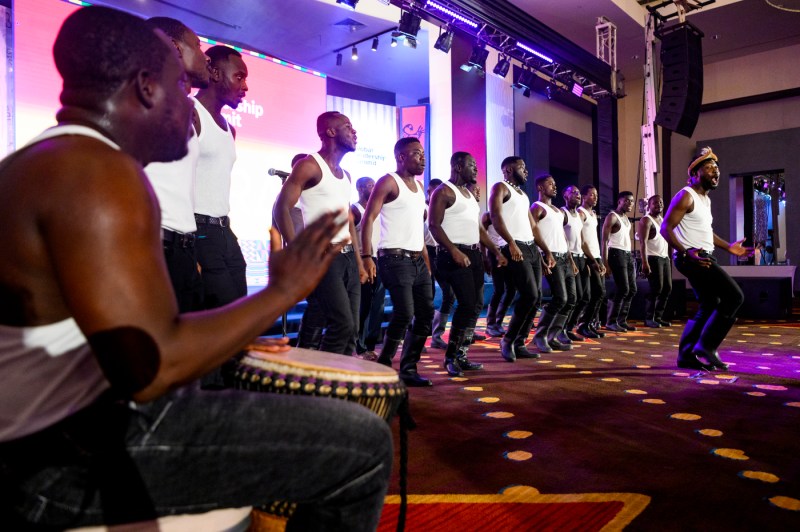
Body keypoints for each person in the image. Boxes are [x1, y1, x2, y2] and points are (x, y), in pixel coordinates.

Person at [0, 7, 391, 530]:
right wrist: (282, 291)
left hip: (52, 439)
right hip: (62, 462)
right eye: (180, 90)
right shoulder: (96, 174)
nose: (191, 111)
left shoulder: (50, 157)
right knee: (362, 444)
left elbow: (123, 341)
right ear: (145, 87)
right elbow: (151, 368)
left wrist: (235, 333)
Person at [274, 112, 367, 355]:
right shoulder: (309, 165)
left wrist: (359, 261)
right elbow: (281, 207)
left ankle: (343, 385)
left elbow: (347, 223)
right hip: (322, 258)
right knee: (342, 324)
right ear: (331, 132)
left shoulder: (346, 175)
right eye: (348, 126)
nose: (354, 131)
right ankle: (322, 380)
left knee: (352, 329)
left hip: (347, 257)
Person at [661, 147, 751, 371]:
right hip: (693, 256)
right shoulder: (686, 195)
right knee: (734, 296)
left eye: (717, 168)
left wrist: (729, 247)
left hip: (700, 255)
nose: (716, 171)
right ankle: (706, 346)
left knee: (711, 303)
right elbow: (665, 228)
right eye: (710, 167)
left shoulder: (704, 200)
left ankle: (686, 355)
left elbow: (706, 232)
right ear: (694, 173)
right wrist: (684, 251)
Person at [143, 17, 210, 313]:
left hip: (182, 248)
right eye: (197, 45)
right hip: (155, 247)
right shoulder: (147, 99)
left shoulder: (188, 111)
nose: (204, 54)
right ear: (174, 47)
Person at [360, 138, 433, 386]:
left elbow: (416, 229)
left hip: (417, 259)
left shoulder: (420, 187)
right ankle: (384, 364)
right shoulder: (388, 181)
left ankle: (408, 369)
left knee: (425, 314)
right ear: (401, 157)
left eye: (422, 153)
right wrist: (366, 256)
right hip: (393, 258)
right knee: (405, 312)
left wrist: (426, 262)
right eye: (416, 153)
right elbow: (368, 219)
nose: (422, 157)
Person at [429, 152, 507, 376]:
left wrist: (494, 252)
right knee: (466, 304)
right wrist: (453, 250)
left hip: (472, 254)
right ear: (457, 166)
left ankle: (462, 355)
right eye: (472, 165)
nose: (476, 169)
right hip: (453, 253)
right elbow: (434, 225)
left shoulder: (469, 195)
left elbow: (479, 230)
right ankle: (451, 357)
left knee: (475, 305)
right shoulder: (443, 191)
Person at [193, 45, 249, 309]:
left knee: (239, 314)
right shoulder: (191, 114)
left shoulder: (231, 130)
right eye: (239, 77)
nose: (245, 86)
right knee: (219, 312)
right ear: (215, 73)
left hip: (225, 231)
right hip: (197, 230)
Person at [488, 157, 541, 361]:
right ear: (509, 169)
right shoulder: (499, 187)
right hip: (514, 246)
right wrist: (510, 242)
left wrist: (545, 252)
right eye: (522, 167)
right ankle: (508, 340)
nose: (526, 171)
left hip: (531, 248)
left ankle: (519, 342)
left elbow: (533, 227)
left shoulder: (523, 194)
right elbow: (495, 216)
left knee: (535, 299)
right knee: (528, 294)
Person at [530, 175, 578, 353]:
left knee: (572, 299)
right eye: (550, 184)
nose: (554, 186)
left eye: (555, 183)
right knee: (561, 298)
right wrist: (541, 257)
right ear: (540, 187)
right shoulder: (537, 207)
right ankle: (540, 335)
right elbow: (532, 232)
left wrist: (571, 259)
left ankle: (553, 335)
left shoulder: (558, 211)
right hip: (550, 258)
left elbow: (562, 236)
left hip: (565, 258)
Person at [352, 176, 385, 361]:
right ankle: (360, 346)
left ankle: (371, 345)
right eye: (368, 185)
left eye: (374, 185)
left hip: (379, 259)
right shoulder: (355, 210)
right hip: (364, 260)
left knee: (377, 305)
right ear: (359, 188)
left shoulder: (378, 209)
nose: (372, 188)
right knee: (364, 304)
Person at [602, 191, 637, 333]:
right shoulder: (612, 217)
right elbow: (604, 240)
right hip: (616, 254)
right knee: (623, 288)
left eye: (632, 201)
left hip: (627, 255)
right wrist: (605, 263)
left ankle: (621, 321)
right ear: (619, 201)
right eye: (627, 201)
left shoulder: (626, 219)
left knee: (632, 289)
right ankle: (611, 321)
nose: (630, 204)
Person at [574, 185, 607, 339]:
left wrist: (599, 258)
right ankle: (582, 323)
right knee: (595, 292)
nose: (595, 197)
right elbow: (580, 239)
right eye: (592, 195)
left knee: (600, 293)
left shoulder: (593, 214)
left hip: (596, 255)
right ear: (584, 196)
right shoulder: (581, 213)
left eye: (596, 195)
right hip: (587, 257)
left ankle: (589, 324)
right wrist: (592, 260)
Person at [637, 194, 672, 328]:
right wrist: (645, 262)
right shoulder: (646, 220)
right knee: (656, 288)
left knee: (667, 288)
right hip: (653, 257)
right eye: (655, 203)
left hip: (664, 258)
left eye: (661, 203)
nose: (659, 205)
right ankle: (649, 318)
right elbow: (642, 242)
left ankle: (658, 317)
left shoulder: (663, 220)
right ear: (649, 206)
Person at [481, 212, 517, 339]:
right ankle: (490, 324)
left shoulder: (508, 213)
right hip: (494, 253)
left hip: (509, 253)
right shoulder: (488, 215)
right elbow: (482, 237)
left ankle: (498, 321)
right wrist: (485, 258)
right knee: (499, 289)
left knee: (512, 289)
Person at [561, 185, 588, 342]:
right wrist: (570, 260)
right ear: (565, 195)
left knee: (583, 297)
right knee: (572, 296)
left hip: (580, 257)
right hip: (567, 257)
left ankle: (569, 328)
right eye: (573, 192)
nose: (577, 195)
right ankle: (560, 329)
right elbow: (561, 238)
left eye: (579, 193)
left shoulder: (579, 215)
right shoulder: (562, 213)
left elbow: (582, 239)